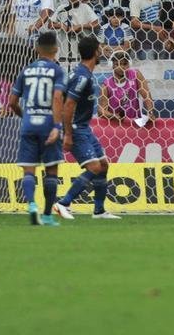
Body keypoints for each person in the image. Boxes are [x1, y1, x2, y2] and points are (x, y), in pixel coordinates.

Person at [52, 36, 120, 221]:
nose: (101, 52)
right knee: (95, 167)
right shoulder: (82, 76)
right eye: (99, 49)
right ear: (94, 52)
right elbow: (68, 105)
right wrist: (68, 134)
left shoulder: (84, 73)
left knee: (103, 165)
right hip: (76, 128)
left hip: (84, 127)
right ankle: (63, 203)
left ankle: (99, 211)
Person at [5, 32, 67, 226]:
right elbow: (57, 98)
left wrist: (25, 116)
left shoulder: (26, 70)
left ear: (36, 49)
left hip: (29, 124)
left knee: (29, 172)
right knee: (51, 172)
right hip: (49, 124)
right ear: (56, 49)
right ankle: (47, 215)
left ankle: (32, 205)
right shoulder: (57, 71)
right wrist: (57, 126)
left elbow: (12, 102)